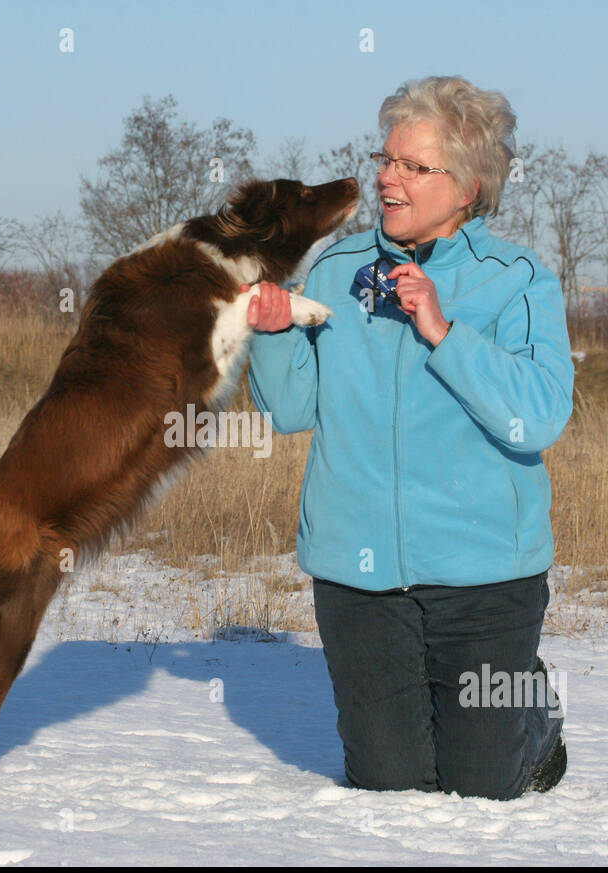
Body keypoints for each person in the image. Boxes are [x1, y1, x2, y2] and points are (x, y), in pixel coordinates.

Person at [245, 76, 573, 799]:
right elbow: (294, 410)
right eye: (386, 159)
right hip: (360, 577)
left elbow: (541, 413)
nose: (387, 179)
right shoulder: (338, 270)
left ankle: (534, 721)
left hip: (484, 574)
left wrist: (444, 334)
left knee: (484, 787)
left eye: (413, 167)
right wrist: (270, 338)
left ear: (468, 187)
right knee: (390, 786)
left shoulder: (517, 282)